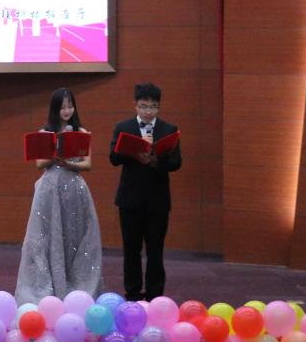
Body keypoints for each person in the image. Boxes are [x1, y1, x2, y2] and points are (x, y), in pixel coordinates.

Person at [15, 88, 103, 304]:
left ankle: (75, 287)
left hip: (74, 189)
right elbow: (40, 164)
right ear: (55, 109)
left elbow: (87, 164)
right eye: (62, 107)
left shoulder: (82, 132)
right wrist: (55, 156)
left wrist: (69, 163)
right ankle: (49, 288)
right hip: (49, 189)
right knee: (47, 236)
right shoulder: (45, 132)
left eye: (70, 106)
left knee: (74, 236)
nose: (67, 110)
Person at [109, 82, 182, 301]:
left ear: (158, 106)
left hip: (158, 200)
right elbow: (113, 158)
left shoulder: (169, 130)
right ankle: (132, 294)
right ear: (135, 105)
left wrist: (155, 160)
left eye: (153, 107)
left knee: (155, 250)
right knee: (131, 250)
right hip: (130, 199)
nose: (148, 111)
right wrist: (134, 154)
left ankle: (154, 295)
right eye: (144, 106)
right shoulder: (123, 127)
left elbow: (176, 162)